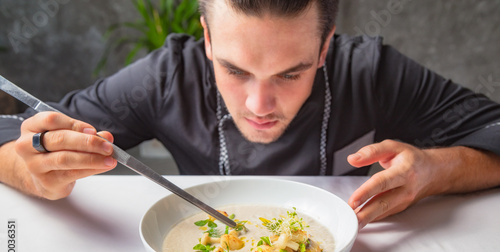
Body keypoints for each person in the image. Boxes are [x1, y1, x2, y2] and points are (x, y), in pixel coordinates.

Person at [0, 0, 499, 228]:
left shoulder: (372, 72)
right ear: (208, 39)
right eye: (235, 71)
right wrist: (31, 166)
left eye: (290, 73)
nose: (260, 107)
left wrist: (438, 169)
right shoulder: (164, 77)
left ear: (325, 46)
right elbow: (14, 140)